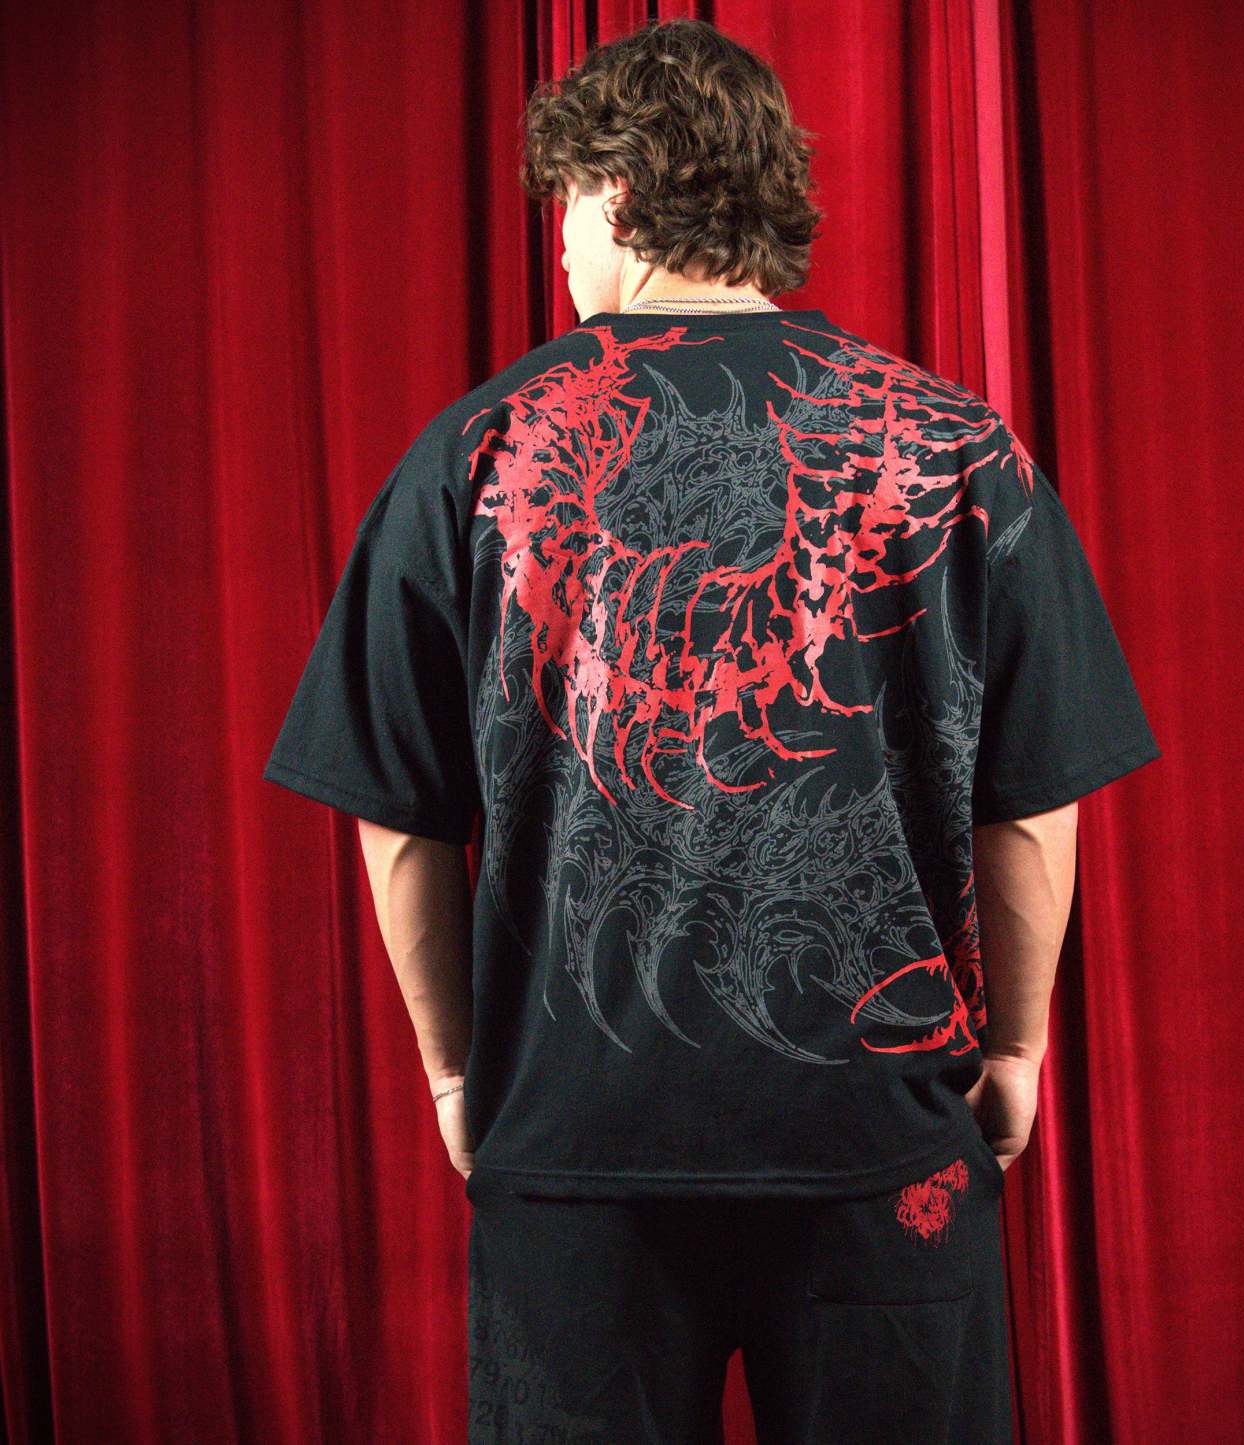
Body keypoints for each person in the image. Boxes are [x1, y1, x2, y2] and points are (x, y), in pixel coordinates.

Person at [261, 17, 1161, 1444]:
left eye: (566, 205)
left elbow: (399, 816)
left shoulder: (474, 454)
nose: (562, 246)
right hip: (881, 1134)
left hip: (576, 1142)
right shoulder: (953, 447)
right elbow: (1032, 808)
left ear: (617, 192)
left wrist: (455, 1068)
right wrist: (1014, 1052)